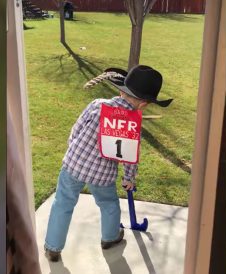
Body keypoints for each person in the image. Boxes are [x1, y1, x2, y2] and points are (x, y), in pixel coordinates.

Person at [44, 65, 173, 262]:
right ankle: (110, 238)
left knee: (63, 203)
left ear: (121, 90)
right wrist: (129, 178)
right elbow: (130, 156)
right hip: (102, 175)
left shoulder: (97, 104)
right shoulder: (132, 124)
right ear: (144, 104)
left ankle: (53, 247)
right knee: (109, 204)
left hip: (73, 164)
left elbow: (76, 129)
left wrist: (73, 151)